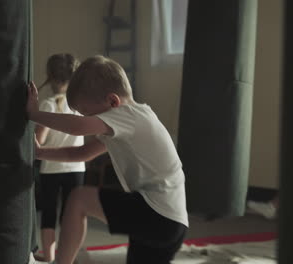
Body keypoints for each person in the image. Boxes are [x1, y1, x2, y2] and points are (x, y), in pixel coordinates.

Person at [27, 55, 188, 264]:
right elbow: (81, 153)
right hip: (171, 220)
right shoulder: (130, 124)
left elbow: (78, 127)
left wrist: (33, 114)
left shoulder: (128, 115)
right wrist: (41, 153)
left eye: (88, 115)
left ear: (113, 101)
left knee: (78, 200)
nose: (88, 121)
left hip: (156, 211)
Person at [33, 54, 85, 262]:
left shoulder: (48, 105)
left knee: (49, 213)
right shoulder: (80, 105)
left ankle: (49, 257)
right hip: (77, 168)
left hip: (52, 169)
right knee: (71, 216)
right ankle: (68, 257)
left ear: (51, 77)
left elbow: (40, 140)